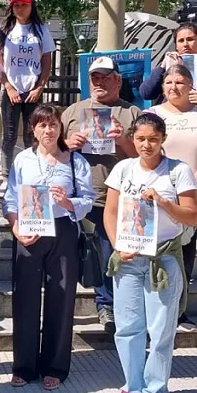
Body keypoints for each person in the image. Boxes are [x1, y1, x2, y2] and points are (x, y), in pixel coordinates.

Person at [103, 113, 197, 393]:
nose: (147, 145)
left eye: (153, 139)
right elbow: (110, 212)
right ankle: (132, 385)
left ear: (163, 139)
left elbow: (192, 216)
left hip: (163, 259)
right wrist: (117, 244)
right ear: (133, 138)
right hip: (129, 259)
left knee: (160, 330)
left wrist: (163, 202)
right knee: (127, 326)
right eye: (141, 139)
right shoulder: (123, 169)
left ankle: (155, 390)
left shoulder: (178, 171)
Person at [3, 105, 94, 390]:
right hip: (29, 230)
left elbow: (88, 199)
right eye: (42, 125)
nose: (48, 130)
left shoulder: (76, 161)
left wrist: (68, 202)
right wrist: (15, 227)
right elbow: (10, 199)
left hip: (63, 230)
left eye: (53, 124)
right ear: (33, 129)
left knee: (61, 297)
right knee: (25, 298)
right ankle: (24, 366)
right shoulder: (23, 160)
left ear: (61, 128)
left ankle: (55, 366)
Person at [63, 57, 141, 333]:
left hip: (116, 198)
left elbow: (144, 157)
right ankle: (71, 306)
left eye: (105, 77)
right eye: (95, 77)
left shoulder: (132, 113)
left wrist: (122, 140)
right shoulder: (73, 111)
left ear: (118, 81)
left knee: (109, 252)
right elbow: (52, 150)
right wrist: (68, 144)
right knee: (79, 254)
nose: (99, 82)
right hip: (76, 197)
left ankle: (107, 304)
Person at [147, 64, 197, 331]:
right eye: (168, 82)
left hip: (194, 193)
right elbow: (145, 149)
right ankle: (153, 309)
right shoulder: (153, 114)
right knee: (158, 248)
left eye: (179, 82)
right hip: (160, 193)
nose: (173, 87)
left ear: (191, 86)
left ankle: (180, 311)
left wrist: (191, 181)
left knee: (186, 250)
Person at [0, 0, 56, 183]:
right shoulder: (4, 29)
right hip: (10, 90)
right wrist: (8, 86)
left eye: (24, 5)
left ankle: (32, 175)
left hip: (33, 89)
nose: (20, 8)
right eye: (16, 5)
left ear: (31, 6)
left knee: (32, 134)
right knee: (9, 135)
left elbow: (47, 60)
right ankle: (6, 177)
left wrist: (40, 87)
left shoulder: (41, 30)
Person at [138, 22, 197, 119]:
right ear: (176, 45)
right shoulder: (166, 67)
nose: (185, 44)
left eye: (190, 39)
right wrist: (163, 66)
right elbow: (145, 94)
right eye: (181, 41)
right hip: (169, 122)